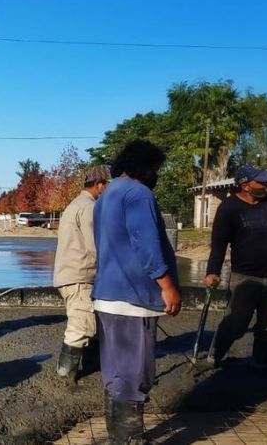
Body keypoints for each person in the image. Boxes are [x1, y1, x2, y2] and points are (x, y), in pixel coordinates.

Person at [92, 140, 181, 444]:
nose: (156, 174)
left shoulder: (105, 196)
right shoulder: (139, 194)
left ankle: (118, 438)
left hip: (106, 296)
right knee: (134, 376)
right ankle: (130, 440)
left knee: (115, 374)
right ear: (144, 166)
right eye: (155, 168)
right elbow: (147, 246)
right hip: (133, 299)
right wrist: (167, 286)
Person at [205, 164, 267, 373]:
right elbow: (219, 244)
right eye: (261, 181)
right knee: (235, 325)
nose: (266, 184)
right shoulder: (229, 208)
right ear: (245, 185)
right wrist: (212, 272)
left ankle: (261, 362)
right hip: (245, 278)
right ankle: (213, 357)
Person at [52, 165, 111, 380]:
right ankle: (65, 376)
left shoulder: (76, 204)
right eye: (108, 185)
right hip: (79, 276)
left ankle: (92, 365)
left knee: (93, 321)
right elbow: (96, 244)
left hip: (71, 274)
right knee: (81, 325)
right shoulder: (89, 207)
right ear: (99, 185)